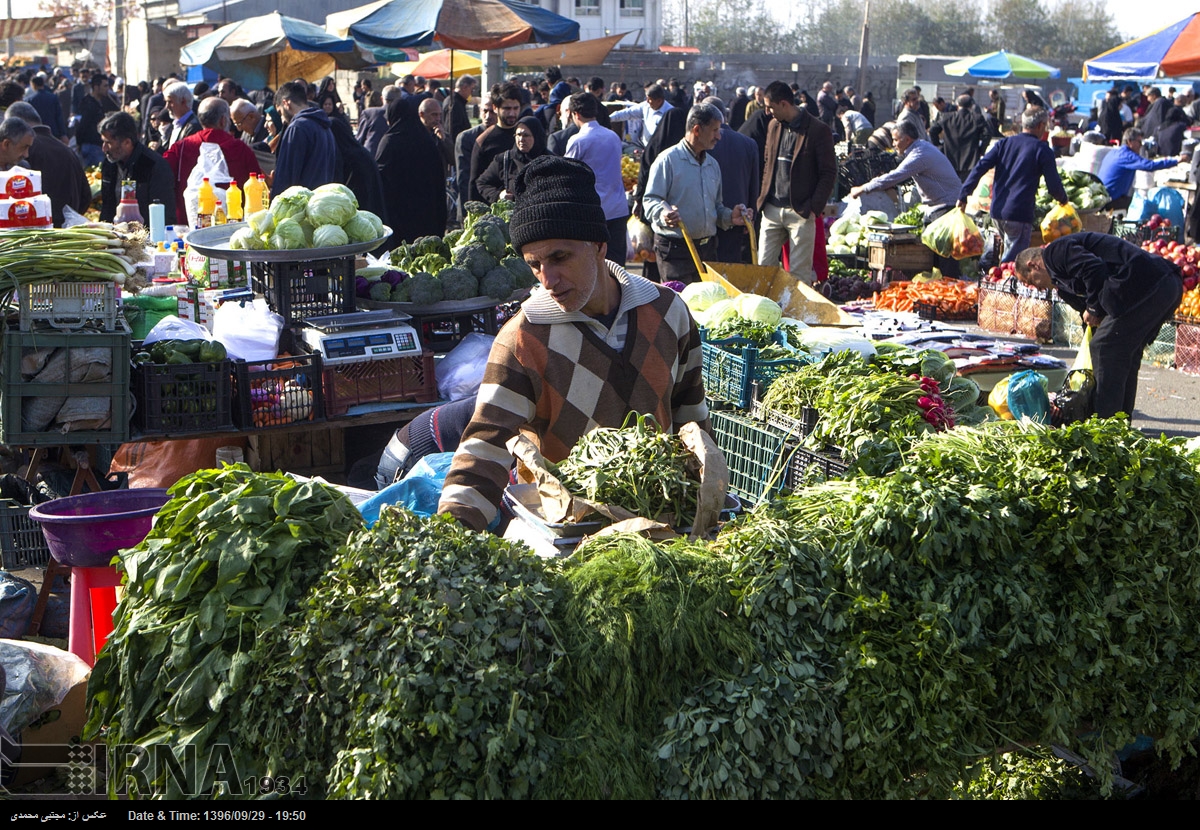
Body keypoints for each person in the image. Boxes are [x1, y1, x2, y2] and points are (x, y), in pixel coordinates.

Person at [436, 155, 710, 532]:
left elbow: (693, 424)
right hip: (568, 532)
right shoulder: (523, 338)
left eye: (559, 257)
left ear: (599, 245)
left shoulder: (667, 313)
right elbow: (485, 447)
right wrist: (450, 532)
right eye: (534, 265)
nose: (547, 279)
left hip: (660, 527)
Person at [1015, 235, 1182, 419]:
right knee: (1124, 353)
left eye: (1031, 281)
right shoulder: (1061, 285)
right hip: (1162, 287)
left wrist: (1093, 308)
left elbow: (1094, 268)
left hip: (1151, 283)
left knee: (1105, 347)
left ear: (1033, 265)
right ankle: (1119, 421)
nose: (1036, 289)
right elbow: (1086, 311)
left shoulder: (1056, 253)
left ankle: (1104, 422)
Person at [643, 103, 752, 284]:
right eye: (715, 130)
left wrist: (730, 217)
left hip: (707, 250)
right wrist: (663, 215)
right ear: (697, 130)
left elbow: (716, 207)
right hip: (675, 250)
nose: (719, 136)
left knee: (705, 306)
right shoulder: (668, 160)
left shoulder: (712, 165)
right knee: (681, 304)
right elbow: (651, 200)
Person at [850, 120, 965, 277]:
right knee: (933, 255)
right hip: (937, 206)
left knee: (945, 258)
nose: (894, 143)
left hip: (945, 206)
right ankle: (938, 288)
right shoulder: (920, 147)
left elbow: (896, 176)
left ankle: (950, 290)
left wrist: (863, 188)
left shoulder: (920, 155)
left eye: (896, 140)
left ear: (907, 139)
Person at [958, 106, 1069, 264]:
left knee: (1007, 255)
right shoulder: (1042, 149)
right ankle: (1000, 285)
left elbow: (980, 167)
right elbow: (1053, 186)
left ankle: (994, 282)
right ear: (1040, 126)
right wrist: (1063, 200)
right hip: (1019, 214)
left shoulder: (1004, 144)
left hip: (997, 211)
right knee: (1013, 264)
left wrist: (964, 194)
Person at [755, 81, 836, 286]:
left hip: (800, 211)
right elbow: (768, 161)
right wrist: (763, 198)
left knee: (799, 276)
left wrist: (813, 208)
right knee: (763, 269)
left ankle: (796, 317)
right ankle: (767, 315)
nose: (767, 112)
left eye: (770, 107)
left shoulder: (818, 130)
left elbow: (828, 173)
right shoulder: (773, 126)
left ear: (784, 104)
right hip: (772, 209)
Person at [163, 97, 263, 224]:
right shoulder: (241, 149)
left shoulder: (181, 147)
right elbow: (256, 187)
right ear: (223, 120)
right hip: (234, 226)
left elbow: (161, 171)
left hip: (189, 226)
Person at [564, 92, 628, 266]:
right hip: (618, 209)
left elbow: (568, 174)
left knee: (593, 266)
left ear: (575, 114)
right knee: (616, 268)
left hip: (592, 212)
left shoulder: (578, 140)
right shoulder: (613, 136)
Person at [376, 96, 447, 247]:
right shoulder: (426, 141)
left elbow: (380, 178)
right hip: (428, 215)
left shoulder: (389, 141)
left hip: (398, 217)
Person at [5, 102, 90, 226]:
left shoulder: (23, 150)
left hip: (38, 234)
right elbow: (86, 197)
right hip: (68, 230)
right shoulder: (68, 150)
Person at [705, 96, 759, 264]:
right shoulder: (748, 143)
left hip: (708, 217)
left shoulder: (704, 143)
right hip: (738, 215)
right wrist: (751, 216)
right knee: (731, 268)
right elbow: (754, 184)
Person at [97, 112, 175, 226]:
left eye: (108, 143)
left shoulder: (153, 165)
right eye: (103, 142)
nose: (104, 148)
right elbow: (107, 207)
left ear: (127, 142)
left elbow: (165, 216)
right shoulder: (110, 164)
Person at [1097, 127, 1189, 212]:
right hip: (1110, 199)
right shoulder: (1127, 156)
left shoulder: (1114, 152)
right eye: (1139, 142)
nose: (1141, 145)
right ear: (1130, 142)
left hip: (1103, 194)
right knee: (1143, 206)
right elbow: (1150, 166)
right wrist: (1177, 160)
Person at [272, 79, 337, 194]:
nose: (282, 118)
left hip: (301, 207)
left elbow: (286, 176)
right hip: (320, 203)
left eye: (280, 112)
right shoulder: (324, 126)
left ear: (286, 103)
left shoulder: (297, 127)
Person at [468, 82, 522, 202]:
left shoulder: (528, 135)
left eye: (516, 108)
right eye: (507, 109)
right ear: (495, 108)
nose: (512, 113)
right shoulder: (484, 141)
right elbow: (475, 183)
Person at [476, 116, 547, 204]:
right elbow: (482, 183)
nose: (521, 139)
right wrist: (498, 196)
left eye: (526, 135)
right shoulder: (505, 160)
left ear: (536, 136)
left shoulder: (549, 160)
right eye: (518, 135)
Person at [929, 94, 992, 181]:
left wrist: (939, 146)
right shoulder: (977, 118)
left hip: (949, 158)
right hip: (970, 160)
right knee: (964, 188)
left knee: (950, 187)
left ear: (957, 104)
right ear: (971, 105)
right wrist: (981, 150)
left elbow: (932, 131)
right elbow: (987, 134)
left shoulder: (947, 117)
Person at [608, 84, 673, 148]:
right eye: (646, 98)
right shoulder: (646, 106)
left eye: (650, 99)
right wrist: (609, 118)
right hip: (645, 146)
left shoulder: (670, 113)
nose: (647, 101)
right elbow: (628, 113)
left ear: (659, 101)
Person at [76, 74, 120, 166]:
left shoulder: (102, 102)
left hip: (96, 145)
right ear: (96, 87)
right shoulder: (89, 104)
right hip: (92, 146)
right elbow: (83, 125)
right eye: (105, 86)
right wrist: (80, 143)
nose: (107, 88)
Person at [357, 84, 397, 160]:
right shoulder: (405, 115)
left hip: (371, 159)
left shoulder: (369, 113)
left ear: (382, 99)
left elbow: (359, 139)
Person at [160, 81, 199, 152]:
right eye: (166, 102)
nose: (167, 106)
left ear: (183, 101)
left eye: (170, 102)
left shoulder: (194, 127)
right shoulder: (172, 126)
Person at [26, 73, 65, 140]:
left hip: (36, 132)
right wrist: (63, 133)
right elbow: (59, 116)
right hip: (53, 131)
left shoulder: (30, 100)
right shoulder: (53, 97)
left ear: (33, 85)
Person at [442, 75, 475, 148]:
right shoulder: (454, 103)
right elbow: (452, 130)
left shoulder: (455, 101)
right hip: (455, 146)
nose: (471, 93)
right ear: (464, 87)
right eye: (472, 89)